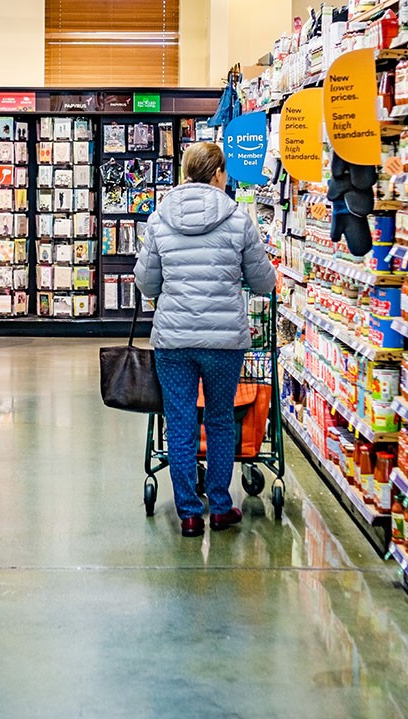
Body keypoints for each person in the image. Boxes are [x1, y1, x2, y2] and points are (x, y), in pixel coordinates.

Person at [134, 142, 276, 537]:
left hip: (174, 342)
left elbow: (146, 282)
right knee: (219, 419)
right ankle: (221, 505)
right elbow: (264, 282)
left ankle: (189, 513)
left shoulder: (159, 219)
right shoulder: (238, 220)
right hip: (223, 341)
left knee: (179, 421)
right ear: (216, 175)